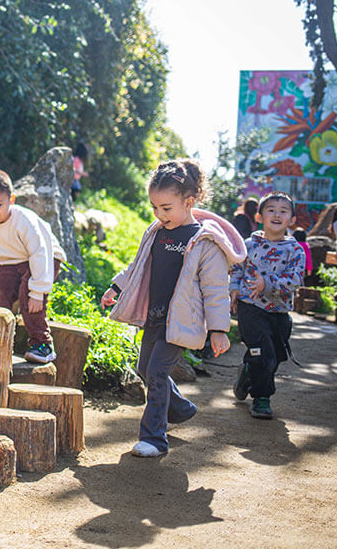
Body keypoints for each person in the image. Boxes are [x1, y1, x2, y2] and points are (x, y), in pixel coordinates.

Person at [100, 159, 246, 457]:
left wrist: (219, 329)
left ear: (189, 201)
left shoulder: (205, 242)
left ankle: (154, 438)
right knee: (144, 369)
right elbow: (138, 266)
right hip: (155, 318)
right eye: (154, 207)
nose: (159, 214)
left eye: (166, 208)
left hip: (182, 322)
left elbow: (215, 290)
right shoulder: (156, 232)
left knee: (155, 372)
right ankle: (179, 409)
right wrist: (117, 286)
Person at [0, 169, 67, 364]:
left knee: (29, 296)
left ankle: (42, 343)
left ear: (12, 200)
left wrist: (38, 292)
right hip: (15, 262)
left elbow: (40, 252)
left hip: (46, 258)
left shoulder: (24, 221)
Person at [229, 192, 305, 419]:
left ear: (292, 219)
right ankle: (262, 398)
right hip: (250, 307)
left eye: (283, 211)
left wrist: (268, 284)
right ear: (260, 216)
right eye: (271, 210)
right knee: (262, 351)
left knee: (275, 356)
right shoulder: (248, 245)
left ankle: (247, 373)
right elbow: (237, 269)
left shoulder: (295, 250)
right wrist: (233, 289)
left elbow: (295, 279)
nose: (277, 215)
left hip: (279, 312)